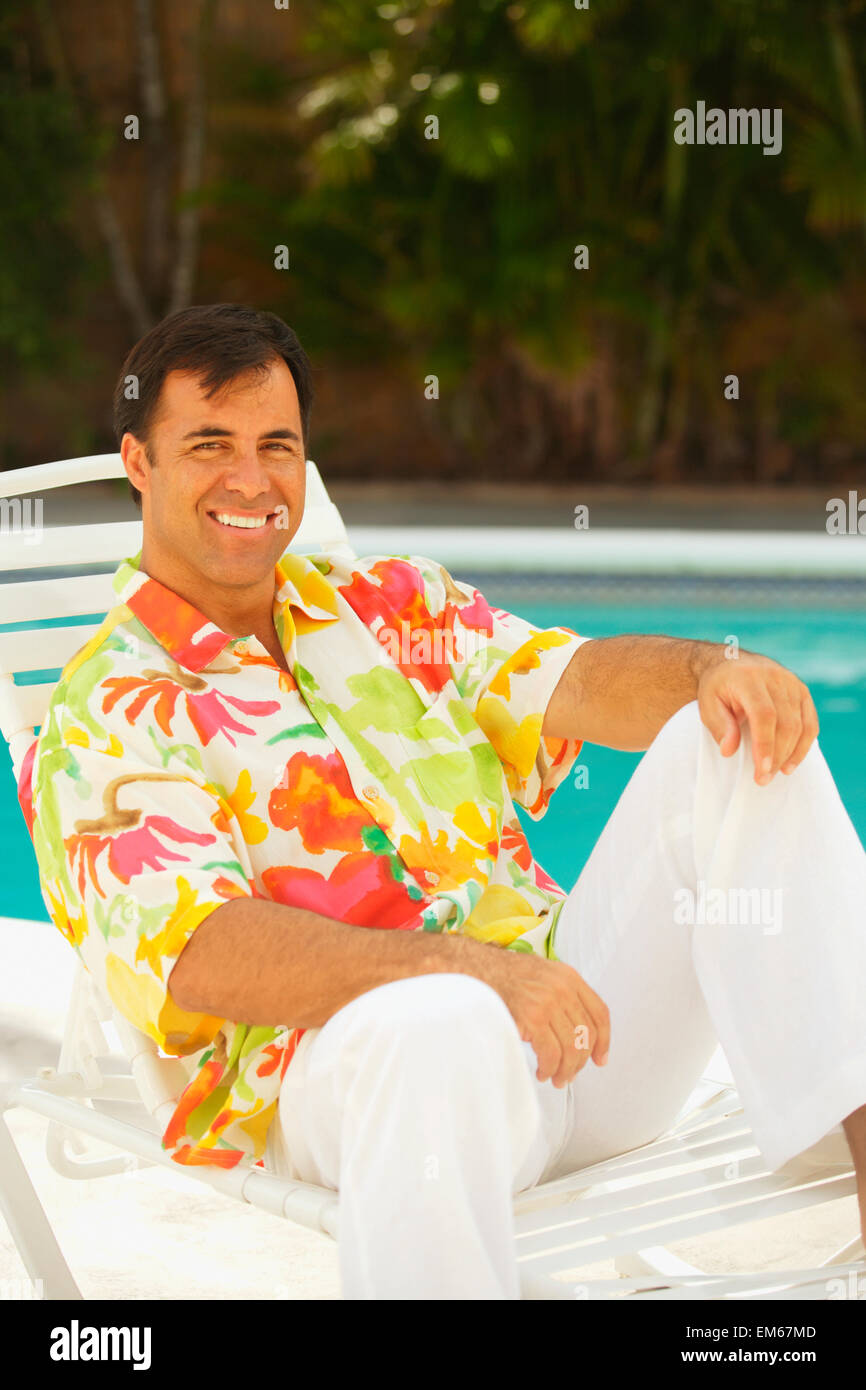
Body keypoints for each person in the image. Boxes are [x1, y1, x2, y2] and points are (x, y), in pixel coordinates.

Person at [26, 303, 866, 1300]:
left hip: (569, 1032)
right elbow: (203, 955)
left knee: (732, 740)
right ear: (140, 464)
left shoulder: (387, 605)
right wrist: (468, 973)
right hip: (353, 1073)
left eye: (276, 446)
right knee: (437, 1018)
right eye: (210, 445)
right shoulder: (108, 707)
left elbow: (578, 682)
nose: (250, 480)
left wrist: (706, 669)